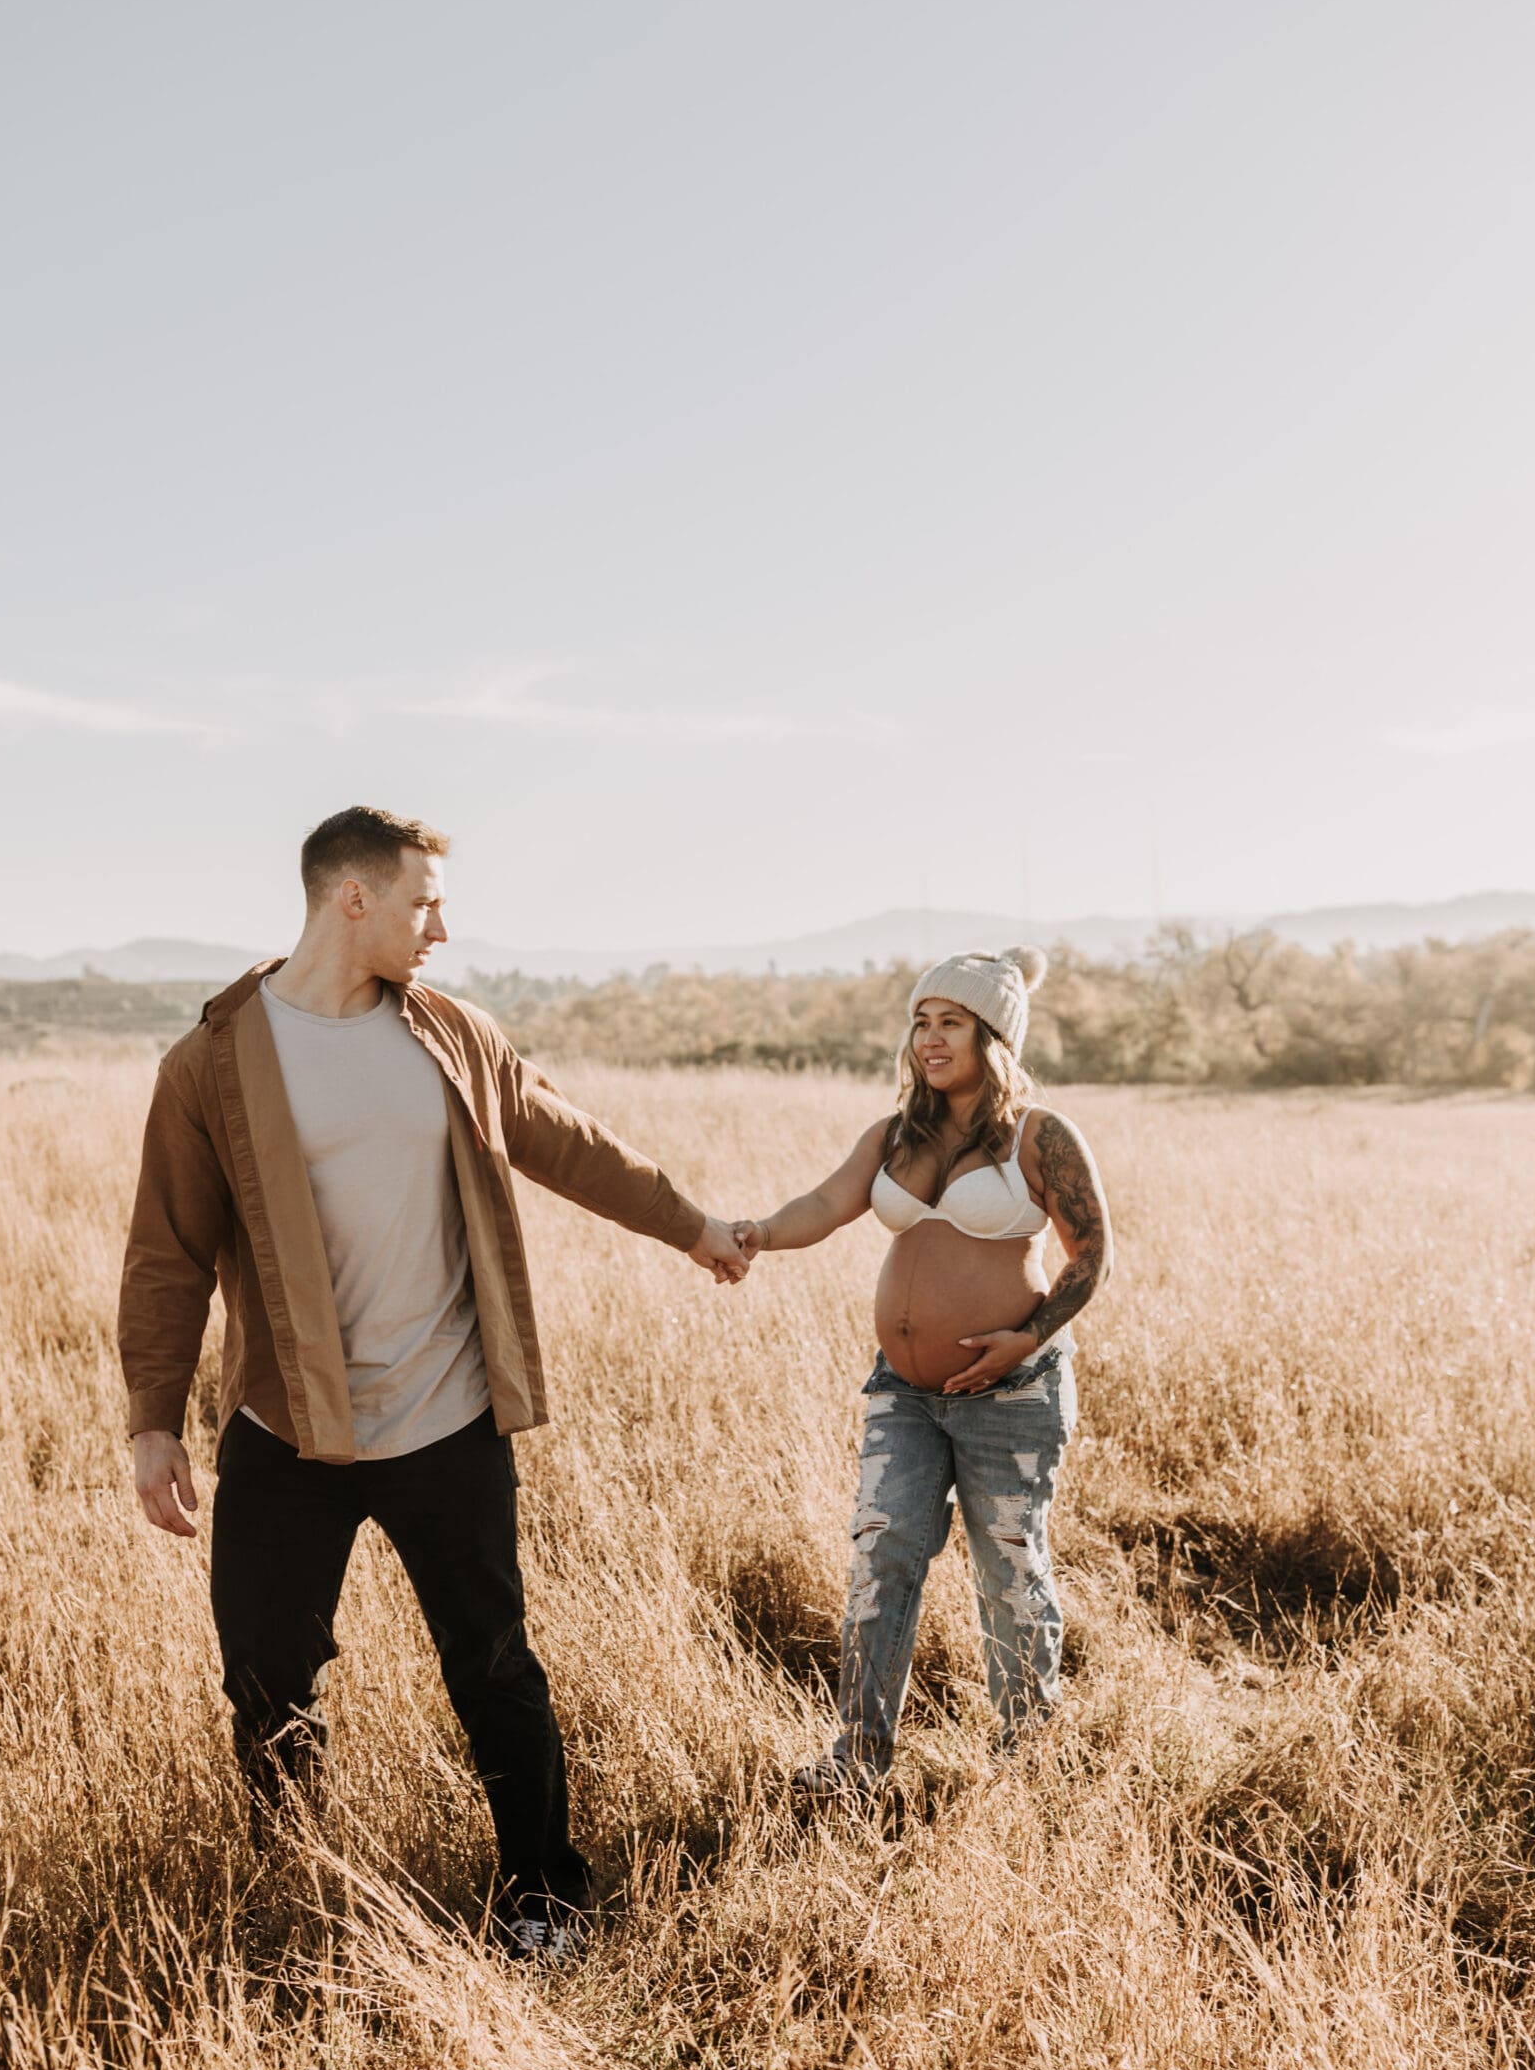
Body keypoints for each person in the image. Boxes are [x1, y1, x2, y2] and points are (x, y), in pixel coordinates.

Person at [119, 806, 750, 1960]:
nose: (442, 928)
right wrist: (153, 1422)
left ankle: (544, 1892)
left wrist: (692, 1224)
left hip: (449, 1418)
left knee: (493, 1660)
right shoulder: (212, 1061)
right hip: (289, 1425)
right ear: (350, 898)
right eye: (424, 902)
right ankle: (302, 1883)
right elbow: (166, 1248)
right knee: (265, 1676)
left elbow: (570, 1139)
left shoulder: (450, 1033)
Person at [732, 946, 1112, 1792]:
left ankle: (1027, 1759)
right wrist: (756, 1232)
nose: (930, 1040)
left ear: (993, 1037)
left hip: (1009, 1394)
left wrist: (1030, 1337)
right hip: (901, 1393)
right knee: (881, 1552)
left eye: (951, 1024)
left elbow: (1093, 1255)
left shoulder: (1038, 1136)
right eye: (920, 1023)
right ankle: (856, 1762)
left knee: (1008, 1566)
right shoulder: (895, 1133)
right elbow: (826, 1205)